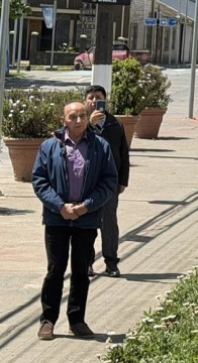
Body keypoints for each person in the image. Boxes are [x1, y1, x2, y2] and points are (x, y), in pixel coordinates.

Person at [31, 102, 119, 341]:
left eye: (82, 116)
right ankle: (47, 321)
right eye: (73, 116)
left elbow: (109, 182)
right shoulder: (50, 147)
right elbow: (39, 180)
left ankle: (77, 320)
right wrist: (60, 206)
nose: (79, 120)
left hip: (86, 220)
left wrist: (85, 206)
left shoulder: (100, 147)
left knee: (81, 272)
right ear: (64, 120)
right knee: (55, 271)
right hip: (56, 219)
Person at [85, 85, 130, 278]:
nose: (95, 101)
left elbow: (123, 154)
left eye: (99, 97)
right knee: (86, 224)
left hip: (109, 183)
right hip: (86, 183)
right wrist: (89, 125)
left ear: (105, 100)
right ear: (86, 101)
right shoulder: (79, 123)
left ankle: (111, 263)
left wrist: (123, 180)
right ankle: (86, 262)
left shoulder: (115, 124)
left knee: (109, 222)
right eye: (91, 98)